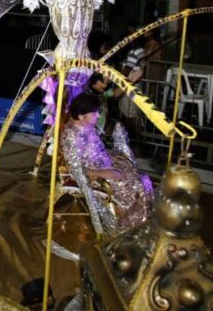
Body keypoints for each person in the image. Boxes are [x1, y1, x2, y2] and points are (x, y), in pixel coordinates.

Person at [60, 93, 153, 238]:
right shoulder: (73, 136)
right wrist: (104, 174)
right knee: (135, 185)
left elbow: (96, 149)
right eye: (94, 113)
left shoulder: (87, 126)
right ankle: (126, 228)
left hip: (106, 166)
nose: (98, 116)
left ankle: (141, 221)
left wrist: (110, 157)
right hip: (95, 176)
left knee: (144, 179)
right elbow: (76, 168)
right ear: (81, 116)